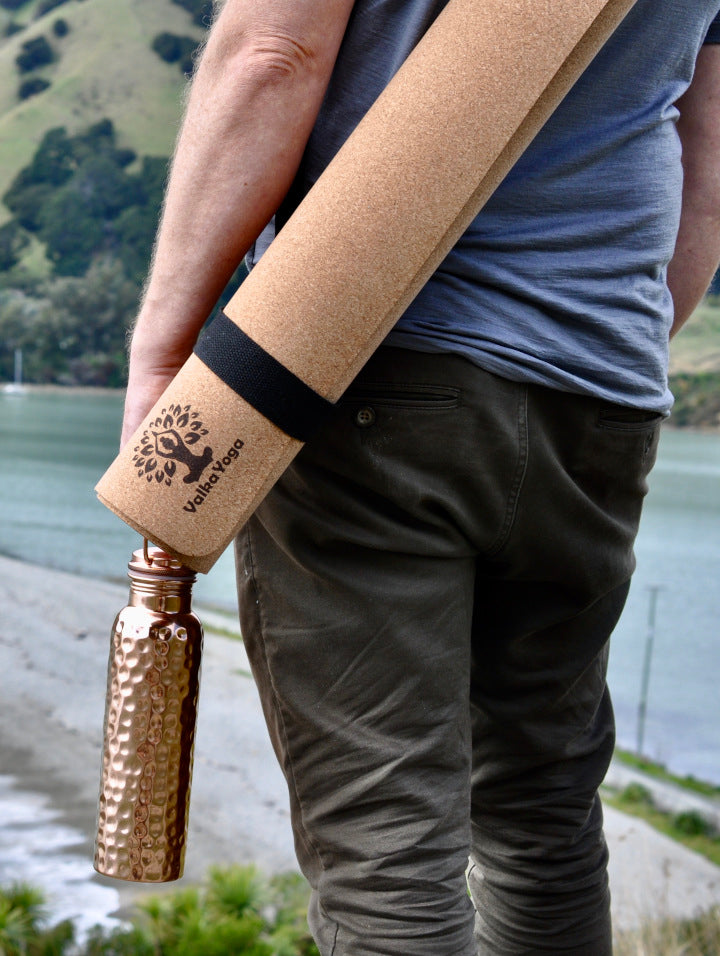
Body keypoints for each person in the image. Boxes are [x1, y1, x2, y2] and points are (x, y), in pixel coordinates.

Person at [121, 1, 720, 952]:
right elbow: (703, 167)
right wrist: (596, 368)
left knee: (386, 851)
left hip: (359, 366)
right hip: (602, 392)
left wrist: (161, 361)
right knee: (544, 822)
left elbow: (273, 54)